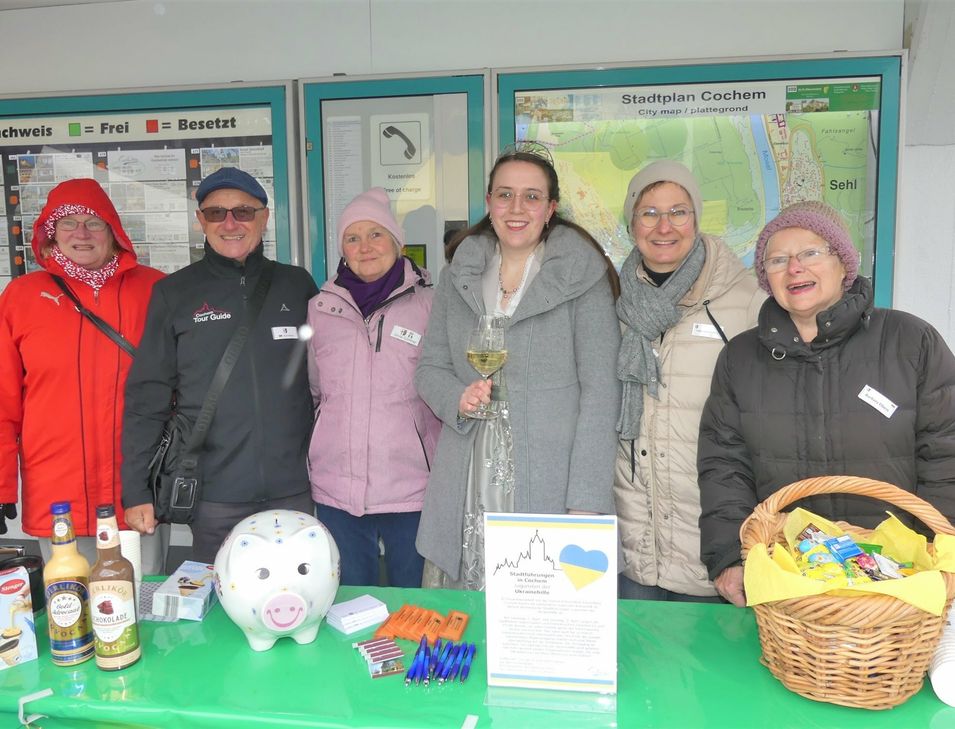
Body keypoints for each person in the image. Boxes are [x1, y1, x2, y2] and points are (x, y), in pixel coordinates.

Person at [698, 200, 955, 607]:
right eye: (777, 260)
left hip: (899, 582)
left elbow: (946, 454)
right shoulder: (740, 359)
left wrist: (937, 559)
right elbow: (724, 467)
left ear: (843, 262)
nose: (794, 268)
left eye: (811, 253)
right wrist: (729, 556)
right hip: (787, 582)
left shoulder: (910, 342)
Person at [414, 143, 621, 590]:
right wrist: (457, 398)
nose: (516, 207)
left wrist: (585, 500)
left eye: (531, 196)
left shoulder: (582, 277)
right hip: (466, 476)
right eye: (505, 195)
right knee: (464, 614)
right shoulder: (458, 275)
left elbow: (602, 393)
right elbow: (429, 367)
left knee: (536, 608)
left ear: (550, 209)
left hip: (549, 478)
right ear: (489, 203)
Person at [121, 167, 318, 563]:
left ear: (264, 218)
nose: (230, 223)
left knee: (297, 590)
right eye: (216, 213)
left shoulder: (297, 285)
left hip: (295, 489)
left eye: (243, 211)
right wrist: (136, 490)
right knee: (218, 595)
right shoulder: (174, 293)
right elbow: (147, 398)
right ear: (201, 221)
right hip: (213, 496)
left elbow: (329, 380)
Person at [613, 161, 764, 602]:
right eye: (649, 213)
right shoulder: (615, 302)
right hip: (635, 542)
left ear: (696, 219)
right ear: (631, 224)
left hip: (714, 546)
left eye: (678, 212)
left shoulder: (746, 302)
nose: (664, 227)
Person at [0, 178, 166, 570]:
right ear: (51, 233)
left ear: (113, 230)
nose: (81, 233)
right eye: (68, 223)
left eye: (93, 223)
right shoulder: (21, 297)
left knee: (142, 595)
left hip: (137, 490)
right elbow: (3, 400)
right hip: (58, 493)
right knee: (69, 594)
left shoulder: (157, 289)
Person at [307, 188, 440, 587]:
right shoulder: (319, 308)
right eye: (353, 237)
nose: (365, 247)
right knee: (349, 603)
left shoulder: (430, 305)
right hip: (337, 486)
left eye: (376, 234)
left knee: (415, 604)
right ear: (343, 250)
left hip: (412, 486)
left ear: (397, 242)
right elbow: (315, 389)